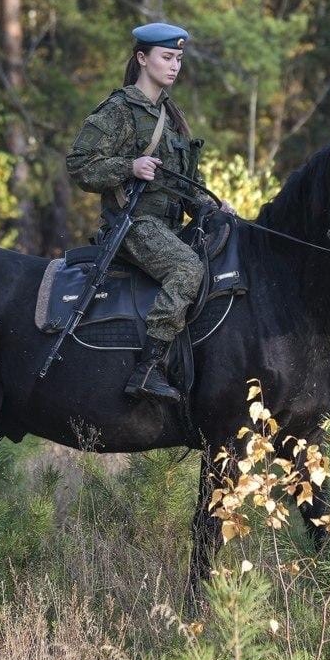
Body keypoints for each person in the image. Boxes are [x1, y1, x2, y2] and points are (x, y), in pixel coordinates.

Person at [67, 22, 225, 404]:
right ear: (142, 58)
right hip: (134, 224)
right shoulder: (119, 109)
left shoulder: (173, 117)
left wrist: (215, 207)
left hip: (171, 227)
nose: (174, 67)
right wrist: (129, 167)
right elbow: (79, 165)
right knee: (187, 269)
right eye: (166, 58)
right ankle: (150, 367)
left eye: (179, 59)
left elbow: (188, 185)